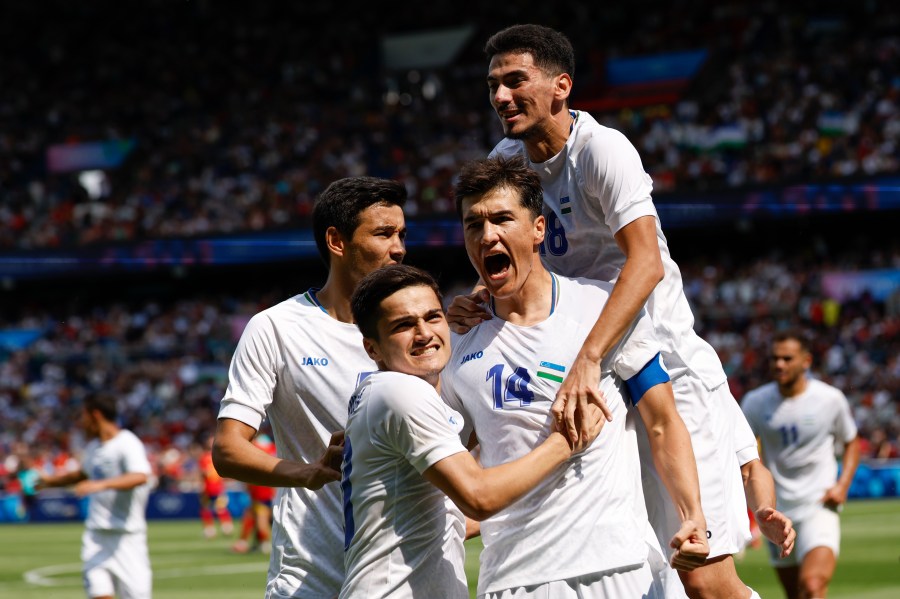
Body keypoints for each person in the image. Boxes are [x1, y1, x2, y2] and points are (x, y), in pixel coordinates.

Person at [446, 23, 787, 599]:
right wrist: (487, 294)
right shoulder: (508, 158)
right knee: (649, 573)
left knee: (704, 577)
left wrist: (589, 356)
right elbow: (517, 244)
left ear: (561, 86)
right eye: (493, 85)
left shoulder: (601, 151)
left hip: (663, 371)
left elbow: (645, 263)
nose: (500, 97)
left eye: (514, 81)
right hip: (599, 373)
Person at [443, 155, 707, 597]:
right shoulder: (456, 346)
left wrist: (692, 514)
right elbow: (450, 464)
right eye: (474, 224)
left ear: (539, 229)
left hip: (621, 567)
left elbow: (662, 422)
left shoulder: (604, 309)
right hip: (514, 580)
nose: (488, 234)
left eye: (503, 219)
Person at [341, 263, 606, 598]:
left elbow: (446, 518)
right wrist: (565, 442)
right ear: (372, 349)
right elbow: (479, 498)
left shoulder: (383, 392)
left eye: (433, 317)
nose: (424, 333)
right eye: (403, 325)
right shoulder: (400, 392)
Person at [212, 175, 407, 598]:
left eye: (401, 234)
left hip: (404, 579)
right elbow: (228, 449)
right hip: (310, 580)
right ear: (337, 242)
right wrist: (310, 474)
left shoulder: (423, 329)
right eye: (384, 233)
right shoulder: (276, 328)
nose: (399, 248)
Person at [741, 329, 860, 599]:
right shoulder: (755, 402)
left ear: (806, 361)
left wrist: (842, 486)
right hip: (778, 511)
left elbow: (852, 442)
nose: (779, 364)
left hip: (819, 504)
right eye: (774, 358)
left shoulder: (830, 399)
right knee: (795, 594)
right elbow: (741, 453)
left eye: (787, 358)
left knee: (812, 585)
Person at [37, 392, 153, 599]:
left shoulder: (127, 442)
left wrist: (100, 485)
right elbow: (82, 474)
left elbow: (140, 476)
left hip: (127, 537)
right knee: (99, 593)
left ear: (96, 415)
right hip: (96, 536)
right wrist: (50, 481)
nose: (81, 422)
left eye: (83, 416)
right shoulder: (93, 447)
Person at [232, 432, 278, 555]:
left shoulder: (254, 446)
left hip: (259, 489)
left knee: (260, 517)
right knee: (255, 514)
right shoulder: (271, 446)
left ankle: (264, 543)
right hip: (271, 487)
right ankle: (256, 542)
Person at [198, 434, 234, 539]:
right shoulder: (205, 457)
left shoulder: (217, 456)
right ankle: (211, 529)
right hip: (208, 487)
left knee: (219, 508)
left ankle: (225, 527)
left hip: (217, 487)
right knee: (206, 508)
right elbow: (203, 473)